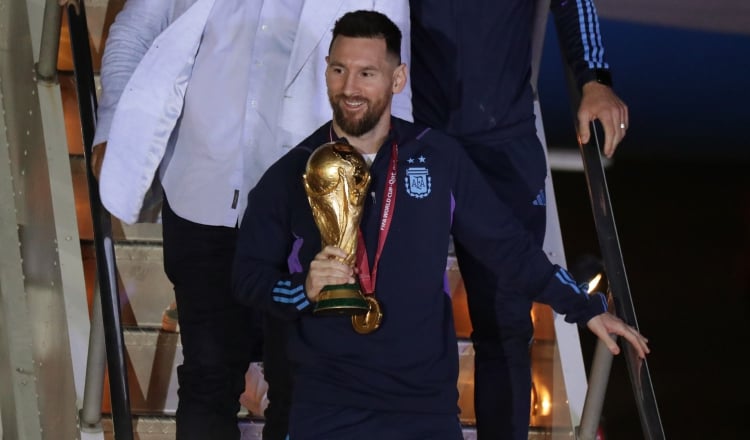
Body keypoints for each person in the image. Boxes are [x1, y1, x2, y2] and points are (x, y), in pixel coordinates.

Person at [232, 9, 649, 440]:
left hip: (424, 414)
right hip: (327, 413)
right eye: (340, 70)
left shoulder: (437, 160)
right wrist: (302, 289)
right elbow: (247, 279)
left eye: (367, 73)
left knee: (504, 326)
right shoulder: (293, 172)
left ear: (397, 80)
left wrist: (584, 306)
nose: (351, 87)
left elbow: (509, 249)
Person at [91, 1, 412, 439]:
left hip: (307, 212)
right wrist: (113, 127)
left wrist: (382, 207)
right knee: (207, 376)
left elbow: (393, 82)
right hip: (201, 194)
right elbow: (132, 30)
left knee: (301, 386)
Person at [409, 1, 629, 437]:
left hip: (502, 151)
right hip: (419, 142)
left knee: (504, 326)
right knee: (407, 317)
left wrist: (595, 79)